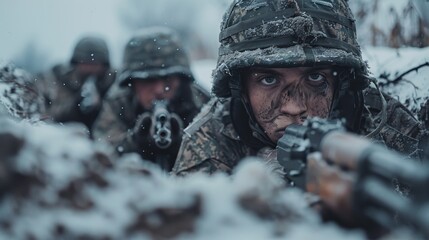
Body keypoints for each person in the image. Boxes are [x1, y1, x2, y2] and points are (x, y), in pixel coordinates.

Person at [172, 0, 428, 177]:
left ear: (342, 82)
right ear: (240, 88)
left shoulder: (386, 126)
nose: (294, 106)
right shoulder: (211, 139)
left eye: (315, 78)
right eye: (269, 80)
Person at [92, 27, 210, 172]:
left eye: (167, 79)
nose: (159, 90)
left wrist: (184, 145)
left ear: (181, 79)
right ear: (132, 83)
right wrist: (134, 143)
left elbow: (222, 153)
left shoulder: (200, 101)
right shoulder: (119, 102)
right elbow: (101, 154)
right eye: (148, 80)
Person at [34, 36, 116, 134]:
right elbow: (45, 117)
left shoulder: (117, 82)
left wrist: (100, 106)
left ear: (104, 65)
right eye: (85, 63)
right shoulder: (58, 79)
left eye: (95, 64)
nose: (89, 69)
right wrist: (75, 106)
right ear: (76, 63)